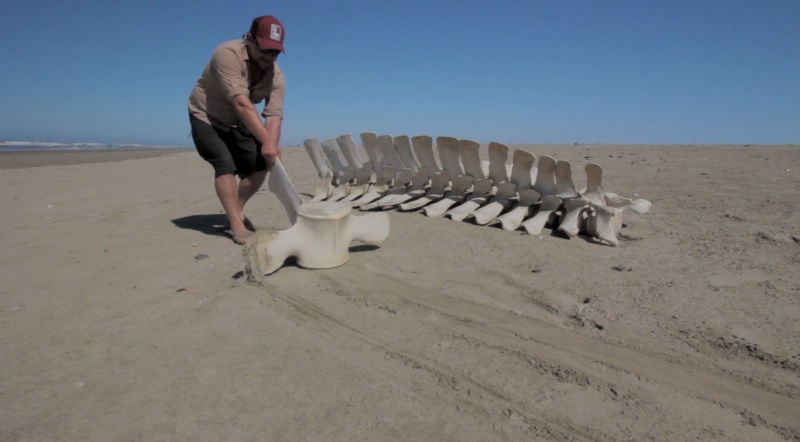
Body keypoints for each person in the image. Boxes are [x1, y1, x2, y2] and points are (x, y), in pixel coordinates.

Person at [188, 15, 286, 244]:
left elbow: (273, 115)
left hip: (240, 122)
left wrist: (271, 147)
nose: (269, 57)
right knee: (224, 163)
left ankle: (236, 210)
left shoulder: (277, 76)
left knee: (261, 165)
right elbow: (241, 102)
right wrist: (267, 143)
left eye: (275, 52)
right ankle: (235, 223)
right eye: (265, 49)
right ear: (250, 39)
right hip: (207, 116)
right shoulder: (227, 53)